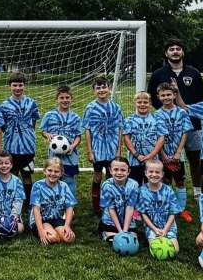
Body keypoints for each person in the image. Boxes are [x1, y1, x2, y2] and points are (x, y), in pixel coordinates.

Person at [147, 38, 203, 196]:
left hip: (193, 124)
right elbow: (152, 98)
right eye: (171, 49)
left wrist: (187, 113)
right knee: (168, 160)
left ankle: (198, 191)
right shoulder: (158, 74)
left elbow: (200, 99)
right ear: (166, 53)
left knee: (195, 159)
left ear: (183, 52)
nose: (175, 52)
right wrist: (168, 115)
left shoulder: (193, 73)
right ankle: (166, 191)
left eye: (178, 49)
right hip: (167, 128)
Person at [82, 76, 124, 219]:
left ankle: (111, 204)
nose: (101, 90)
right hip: (98, 150)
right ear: (94, 91)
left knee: (113, 177)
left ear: (109, 89)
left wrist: (119, 149)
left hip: (112, 149)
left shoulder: (116, 107)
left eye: (104, 87)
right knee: (98, 176)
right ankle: (96, 206)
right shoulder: (90, 108)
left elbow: (120, 129)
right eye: (98, 88)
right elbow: (87, 130)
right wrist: (90, 151)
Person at [154, 82, 193, 221]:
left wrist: (178, 152)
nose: (166, 97)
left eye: (168, 94)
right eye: (163, 95)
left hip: (178, 154)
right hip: (163, 154)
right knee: (164, 181)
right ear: (158, 97)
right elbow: (157, 136)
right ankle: (166, 207)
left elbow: (185, 133)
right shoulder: (156, 115)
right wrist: (162, 154)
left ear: (174, 95)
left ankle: (181, 209)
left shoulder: (182, 113)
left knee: (180, 181)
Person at [0, 72, 39, 202]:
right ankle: (12, 201)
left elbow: (34, 121)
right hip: (11, 147)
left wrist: (27, 134)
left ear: (24, 86)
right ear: (9, 86)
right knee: (12, 175)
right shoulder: (4, 105)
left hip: (28, 148)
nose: (17, 88)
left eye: (20, 85)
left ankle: (28, 202)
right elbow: (2, 125)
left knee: (27, 175)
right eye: (14, 85)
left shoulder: (31, 103)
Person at [39, 85, 82, 197]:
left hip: (70, 156)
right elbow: (43, 131)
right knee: (53, 178)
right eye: (61, 98)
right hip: (54, 155)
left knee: (69, 180)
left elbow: (78, 136)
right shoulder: (49, 115)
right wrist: (47, 135)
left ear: (71, 99)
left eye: (67, 97)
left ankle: (69, 203)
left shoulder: (76, 117)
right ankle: (52, 200)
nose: (65, 100)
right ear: (57, 99)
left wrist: (72, 146)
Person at [29, 158, 77, 245]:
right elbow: (36, 210)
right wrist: (41, 231)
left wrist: (67, 226)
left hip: (57, 218)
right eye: (50, 170)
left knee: (69, 238)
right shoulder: (37, 186)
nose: (53, 174)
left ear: (61, 173)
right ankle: (51, 232)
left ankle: (56, 231)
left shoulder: (64, 186)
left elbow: (69, 207)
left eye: (56, 171)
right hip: (42, 220)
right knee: (52, 238)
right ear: (44, 171)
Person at [123, 91, 167, 186]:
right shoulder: (129, 120)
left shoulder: (157, 119)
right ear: (135, 103)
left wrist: (151, 155)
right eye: (139, 102)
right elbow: (126, 138)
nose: (142, 104)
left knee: (152, 185)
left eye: (145, 102)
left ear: (150, 104)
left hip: (153, 160)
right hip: (135, 160)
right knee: (135, 185)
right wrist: (136, 155)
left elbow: (161, 138)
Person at [137, 160, 180, 253]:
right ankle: (150, 238)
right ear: (145, 173)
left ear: (162, 174)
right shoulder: (141, 191)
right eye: (151, 171)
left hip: (168, 226)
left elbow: (173, 213)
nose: (154, 174)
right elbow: (143, 214)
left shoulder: (168, 190)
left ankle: (169, 237)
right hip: (152, 227)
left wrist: (165, 230)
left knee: (175, 250)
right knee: (156, 251)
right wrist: (154, 229)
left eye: (157, 172)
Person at [98, 157, 139, 243]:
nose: (119, 173)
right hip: (110, 221)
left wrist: (125, 231)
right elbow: (111, 209)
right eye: (116, 169)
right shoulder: (106, 185)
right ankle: (105, 231)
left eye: (123, 170)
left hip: (128, 221)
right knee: (113, 240)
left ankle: (127, 230)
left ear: (128, 171)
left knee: (132, 240)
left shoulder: (134, 185)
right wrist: (120, 231)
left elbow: (130, 208)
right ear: (110, 170)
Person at [0, 151, 25, 237]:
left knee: (20, 229)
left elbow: (18, 201)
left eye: (7, 163)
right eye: (0, 163)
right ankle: (2, 229)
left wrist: (13, 217)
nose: (4, 166)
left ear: (11, 165)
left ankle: (7, 229)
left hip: (12, 215)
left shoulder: (17, 181)